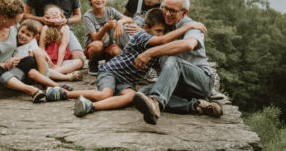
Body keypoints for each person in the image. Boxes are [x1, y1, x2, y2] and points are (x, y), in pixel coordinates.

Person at [44, 8, 206, 118]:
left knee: (131, 96)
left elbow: (168, 48)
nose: (160, 35)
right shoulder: (141, 37)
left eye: (163, 31)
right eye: (157, 31)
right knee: (105, 94)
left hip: (127, 81)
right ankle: (63, 93)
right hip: (110, 72)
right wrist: (188, 27)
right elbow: (163, 40)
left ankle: (90, 106)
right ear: (146, 28)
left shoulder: (157, 47)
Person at [133, 0, 223, 125]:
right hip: (178, 84)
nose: (167, 14)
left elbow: (188, 44)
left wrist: (151, 52)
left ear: (184, 12)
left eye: (173, 11)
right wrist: (120, 23)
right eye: (165, 8)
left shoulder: (193, 27)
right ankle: (198, 106)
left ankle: (155, 103)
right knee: (142, 94)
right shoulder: (164, 25)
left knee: (173, 60)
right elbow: (143, 25)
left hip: (201, 81)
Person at [0, 0, 46, 102]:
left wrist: (38, 50)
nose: (17, 24)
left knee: (30, 60)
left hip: (13, 69)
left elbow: (29, 39)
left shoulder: (14, 27)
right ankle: (29, 89)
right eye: (16, 21)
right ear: (5, 17)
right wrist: (4, 65)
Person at [23, 0, 85, 73]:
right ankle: (58, 70)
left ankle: (55, 72)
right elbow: (25, 14)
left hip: (64, 29)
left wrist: (66, 21)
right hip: (42, 29)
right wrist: (41, 19)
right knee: (34, 57)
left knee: (79, 58)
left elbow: (78, 16)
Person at [121, 0, 170, 82]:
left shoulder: (164, 8)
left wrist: (141, 32)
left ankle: (147, 68)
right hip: (131, 44)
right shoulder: (135, 1)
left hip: (152, 45)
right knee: (123, 29)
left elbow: (164, 35)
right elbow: (124, 17)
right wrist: (120, 22)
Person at [83, 0, 133, 75]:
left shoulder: (111, 11)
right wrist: (106, 26)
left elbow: (129, 19)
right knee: (98, 45)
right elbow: (95, 38)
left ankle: (109, 62)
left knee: (118, 52)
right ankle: (93, 63)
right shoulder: (88, 16)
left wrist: (120, 22)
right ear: (90, 0)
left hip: (108, 46)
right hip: (93, 49)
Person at [39, 5, 83, 74]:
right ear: (46, 17)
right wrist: (47, 59)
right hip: (48, 60)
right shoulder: (45, 28)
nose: (54, 14)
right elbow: (41, 47)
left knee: (79, 62)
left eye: (56, 13)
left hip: (62, 60)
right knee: (40, 63)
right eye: (51, 13)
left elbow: (62, 47)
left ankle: (54, 72)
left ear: (61, 16)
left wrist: (59, 65)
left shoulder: (65, 28)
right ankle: (54, 72)